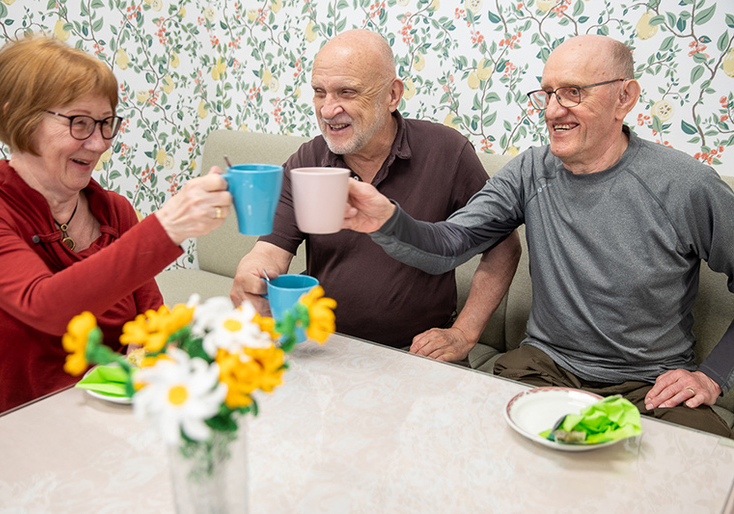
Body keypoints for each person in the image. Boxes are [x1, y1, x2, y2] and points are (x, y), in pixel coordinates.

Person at [341, 34, 734, 438]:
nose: (552, 111)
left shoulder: (686, 185)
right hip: (543, 368)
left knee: (710, 471)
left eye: (572, 93)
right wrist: (387, 220)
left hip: (649, 386)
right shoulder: (530, 171)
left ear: (625, 97)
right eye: (547, 94)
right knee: (472, 441)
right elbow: (448, 247)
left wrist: (713, 375)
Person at [0, 35, 234, 427]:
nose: (99, 143)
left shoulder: (115, 212)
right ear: (17, 116)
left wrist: (162, 347)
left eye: (106, 124)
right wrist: (169, 226)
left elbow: (153, 326)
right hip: (4, 433)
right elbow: (45, 305)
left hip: (109, 427)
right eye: (80, 123)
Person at [230, 29, 521, 359]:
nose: (327, 110)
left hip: (416, 353)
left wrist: (464, 333)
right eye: (319, 92)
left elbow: (504, 246)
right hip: (326, 345)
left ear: (392, 95)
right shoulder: (308, 162)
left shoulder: (447, 152)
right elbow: (270, 252)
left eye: (347, 92)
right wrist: (252, 272)